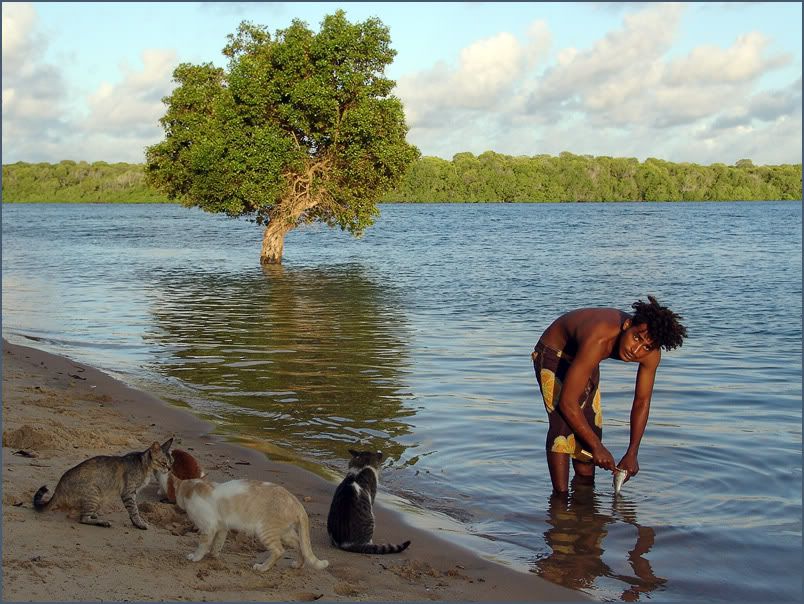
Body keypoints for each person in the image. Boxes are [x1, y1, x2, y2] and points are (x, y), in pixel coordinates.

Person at [532, 295, 687, 495]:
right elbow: (567, 403)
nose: (636, 350)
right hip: (555, 351)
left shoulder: (651, 355)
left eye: (646, 347)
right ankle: (559, 501)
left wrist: (632, 453)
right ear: (628, 325)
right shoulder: (599, 338)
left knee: (590, 426)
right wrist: (598, 447)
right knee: (563, 425)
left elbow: (642, 401)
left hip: (586, 358)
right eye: (636, 338)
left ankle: (584, 498)